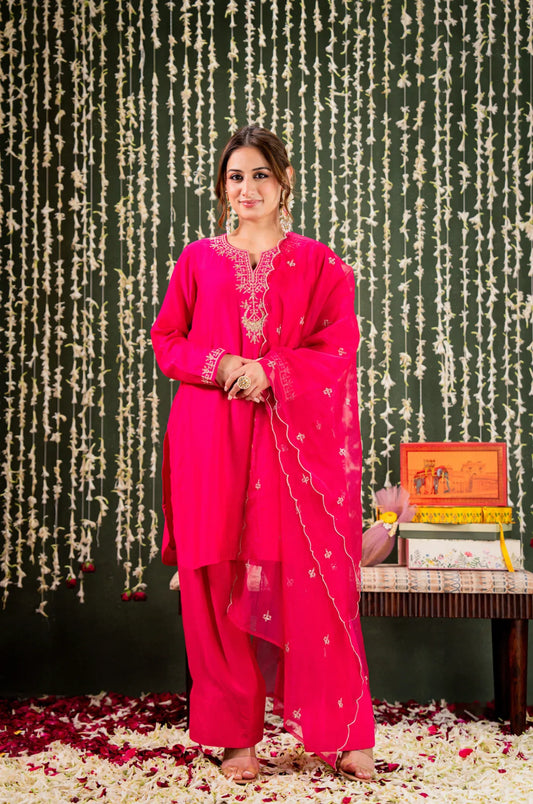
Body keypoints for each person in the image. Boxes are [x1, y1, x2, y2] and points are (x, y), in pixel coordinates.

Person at [151, 125, 375, 783]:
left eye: (258, 176)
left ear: (284, 184)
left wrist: (272, 370)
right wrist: (221, 364)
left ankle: (341, 731)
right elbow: (168, 341)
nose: (245, 189)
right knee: (215, 579)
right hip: (208, 437)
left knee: (315, 578)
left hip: (290, 441)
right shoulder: (196, 259)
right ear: (222, 188)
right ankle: (236, 738)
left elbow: (337, 348)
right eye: (234, 177)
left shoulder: (320, 263)